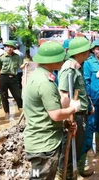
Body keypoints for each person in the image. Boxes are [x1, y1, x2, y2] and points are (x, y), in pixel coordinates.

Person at [23, 41, 80, 179]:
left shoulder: (38, 75)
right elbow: (55, 115)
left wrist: (65, 123)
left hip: (40, 138)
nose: (63, 61)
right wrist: (73, 108)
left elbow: (43, 111)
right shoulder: (45, 83)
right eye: (61, 58)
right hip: (44, 144)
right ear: (52, 60)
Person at [57, 37, 94, 178]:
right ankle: (64, 176)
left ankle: (72, 173)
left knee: (77, 147)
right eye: (87, 50)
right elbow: (64, 95)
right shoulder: (69, 68)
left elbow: (81, 89)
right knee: (68, 148)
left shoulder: (79, 66)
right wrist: (67, 117)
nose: (89, 53)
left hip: (81, 113)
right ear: (80, 52)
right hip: (74, 114)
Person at [0, 40, 27, 120]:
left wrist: (25, 64)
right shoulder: (1, 57)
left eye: (12, 47)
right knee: (4, 96)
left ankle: (21, 111)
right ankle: (7, 113)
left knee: (17, 96)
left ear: (13, 49)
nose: (10, 49)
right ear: (5, 47)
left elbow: (21, 66)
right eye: (8, 47)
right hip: (3, 77)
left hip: (13, 78)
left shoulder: (17, 56)